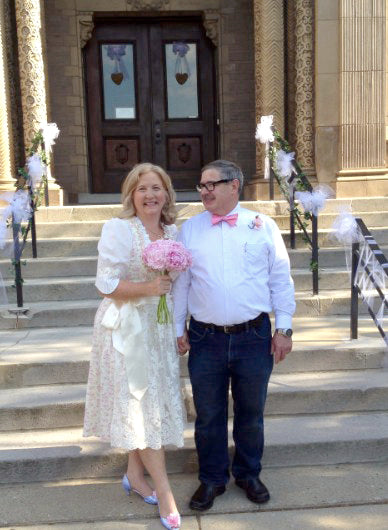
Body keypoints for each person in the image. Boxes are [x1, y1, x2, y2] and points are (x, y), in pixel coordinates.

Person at [172, 159, 295, 511]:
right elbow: (182, 284)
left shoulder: (262, 226)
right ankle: (212, 479)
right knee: (208, 415)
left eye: (212, 184)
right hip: (205, 338)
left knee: (251, 413)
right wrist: (178, 327)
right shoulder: (190, 229)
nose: (205, 191)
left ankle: (248, 473)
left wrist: (283, 327)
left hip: (253, 337)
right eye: (201, 185)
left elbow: (280, 279)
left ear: (234, 186)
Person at [83, 163, 185, 530]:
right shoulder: (119, 230)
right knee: (137, 404)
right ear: (131, 195)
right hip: (124, 328)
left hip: (156, 327)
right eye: (141, 189)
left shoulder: (173, 232)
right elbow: (104, 283)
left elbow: (178, 285)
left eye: (156, 188)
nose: (150, 195)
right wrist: (148, 289)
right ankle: (165, 491)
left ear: (167, 194)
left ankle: (134, 476)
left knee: (147, 403)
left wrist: (177, 325)